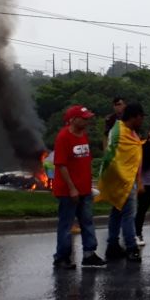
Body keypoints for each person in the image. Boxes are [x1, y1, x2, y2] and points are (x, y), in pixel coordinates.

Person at [51, 105, 103, 269]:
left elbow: (84, 161)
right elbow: (61, 165)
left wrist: (88, 185)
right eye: (84, 118)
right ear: (73, 119)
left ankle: (89, 254)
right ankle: (62, 257)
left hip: (85, 189)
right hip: (68, 190)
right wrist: (72, 188)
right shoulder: (63, 137)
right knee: (66, 224)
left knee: (87, 221)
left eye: (88, 118)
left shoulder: (83, 135)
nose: (87, 121)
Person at [98, 102, 146, 262]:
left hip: (128, 178)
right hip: (122, 180)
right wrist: (129, 179)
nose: (142, 121)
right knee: (128, 215)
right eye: (141, 117)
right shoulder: (119, 132)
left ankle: (112, 245)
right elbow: (113, 158)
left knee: (117, 212)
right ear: (135, 117)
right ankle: (131, 247)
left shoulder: (131, 132)